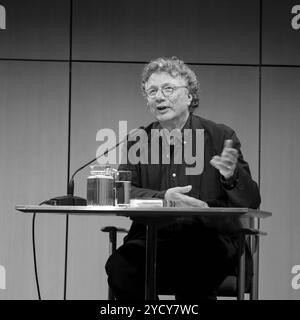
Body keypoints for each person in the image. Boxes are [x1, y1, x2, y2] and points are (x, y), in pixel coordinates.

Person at [105, 56, 261, 300]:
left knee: (194, 271)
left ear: (189, 96)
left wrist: (231, 176)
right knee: (120, 268)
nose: (159, 96)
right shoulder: (139, 140)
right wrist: (163, 198)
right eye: (152, 91)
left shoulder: (220, 136)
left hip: (208, 239)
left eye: (168, 89)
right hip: (153, 239)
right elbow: (124, 192)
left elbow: (252, 201)